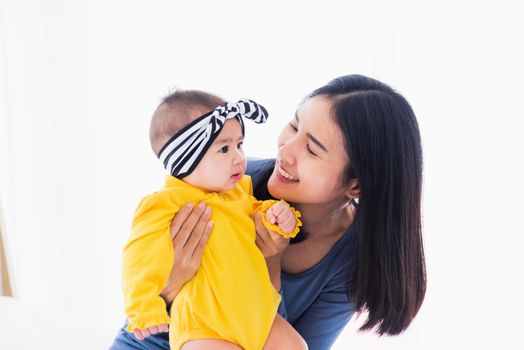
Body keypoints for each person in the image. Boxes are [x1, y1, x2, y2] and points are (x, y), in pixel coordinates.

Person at [110, 74, 426, 350]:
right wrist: (169, 290)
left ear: (355, 186)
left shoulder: (354, 261)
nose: (285, 151)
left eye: (312, 149)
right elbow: (139, 320)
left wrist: (270, 263)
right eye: (293, 126)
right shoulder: (225, 184)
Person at [120, 90, 306, 350]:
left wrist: (276, 216)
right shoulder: (165, 203)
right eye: (224, 148)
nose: (239, 157)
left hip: (258, 316)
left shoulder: (239, 191)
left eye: (240, 145)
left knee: (296, 346)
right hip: (204, 325)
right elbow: (138, 258)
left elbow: (258, 214)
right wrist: (144, 308)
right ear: (187, 158)